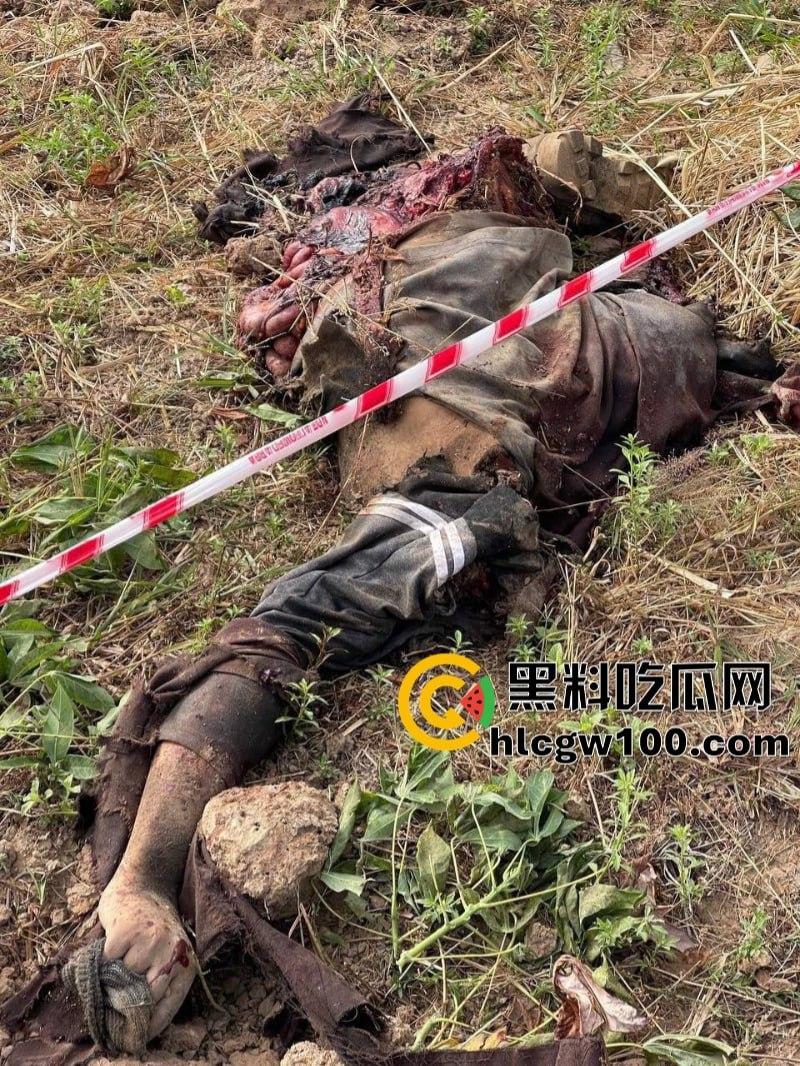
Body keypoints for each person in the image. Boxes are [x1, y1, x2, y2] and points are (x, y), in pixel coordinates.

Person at [94, 129, 786, 1047]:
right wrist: (141, 880)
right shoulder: (487, 433)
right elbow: (275, 636)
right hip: (486, 343)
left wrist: (143, 879)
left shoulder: (583, 338)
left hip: (493, 331)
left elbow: (281, 635)